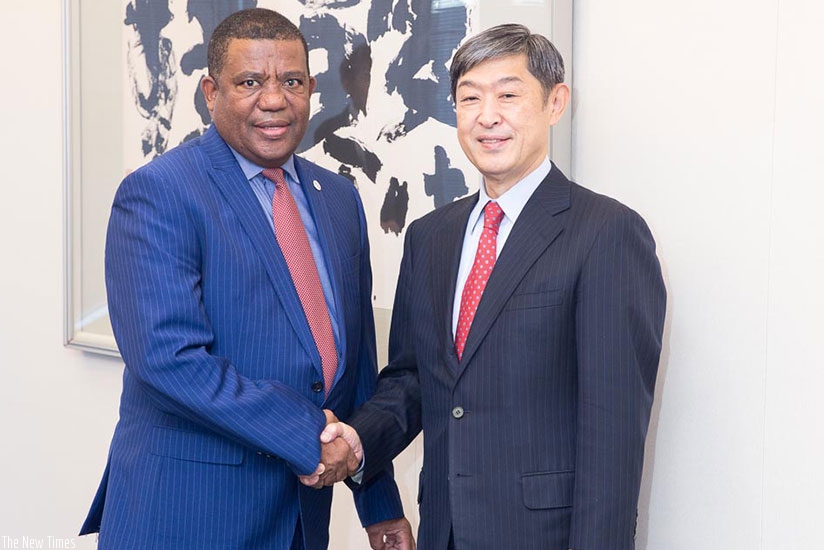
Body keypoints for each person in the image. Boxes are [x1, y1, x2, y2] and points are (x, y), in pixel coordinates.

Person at [307, 23, 667, 550]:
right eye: (469, 98)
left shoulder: (606, 233)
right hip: (445, 532)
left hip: (545, 536)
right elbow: (414, 379)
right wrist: (358, 441)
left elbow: (612, 436)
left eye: (508, 95)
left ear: (555, 102)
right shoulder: (430, 237)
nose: (487, 116)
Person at [79, 8, 413, 550]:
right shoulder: (160, 193)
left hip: (301, 520)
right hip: (188, 516)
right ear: (211, 92)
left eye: (292, 81)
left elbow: (352, 366)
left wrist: (378, 501)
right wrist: (308, 436)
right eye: (250, 82)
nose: (275, 99)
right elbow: (169, 359)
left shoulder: (340, 200)